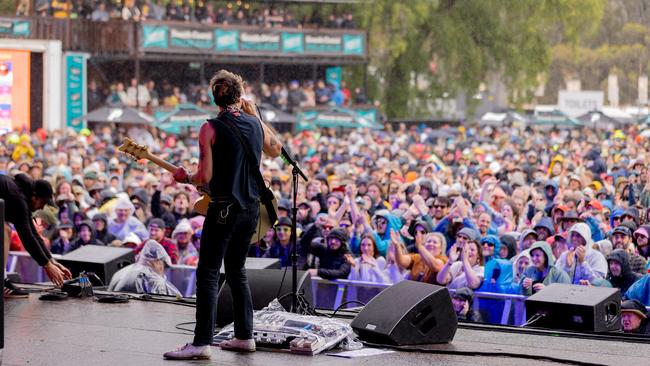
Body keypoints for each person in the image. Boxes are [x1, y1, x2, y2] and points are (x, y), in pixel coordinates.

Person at [164, 70, 282, 360]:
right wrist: (254, 113)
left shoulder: (210, 128)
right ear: (239, 96)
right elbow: (276, 149)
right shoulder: (256, 124)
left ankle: (201, 343)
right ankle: (245, 336)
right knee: (237, 270)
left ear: (213, 96)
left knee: (207, 273)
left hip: (223, 209)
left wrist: (186, 177)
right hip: (250, 209)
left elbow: (205, 175)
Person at [0, 174, 71, 296]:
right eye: (43, 202)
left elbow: (34, 234)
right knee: (5, 230)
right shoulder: (19, 200)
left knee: (5, 230)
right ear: (34, 197)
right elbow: (27, 237)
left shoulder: (22, 196)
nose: (42, 207)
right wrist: (46, 265)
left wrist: (51, 260)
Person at [108, 240, 181, 296]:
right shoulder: (156, 281)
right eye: (164, 266)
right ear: (157, 261)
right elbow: (161, 310)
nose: (164, 271)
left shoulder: (122, 272)